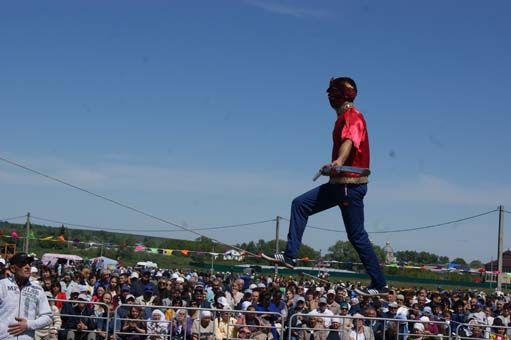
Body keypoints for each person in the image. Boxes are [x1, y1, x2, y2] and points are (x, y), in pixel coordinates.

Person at [270, 76, 387, 296]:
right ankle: (290, 256)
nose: (328, 98)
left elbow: (349, 141)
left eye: (331, 93)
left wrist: (338, 162)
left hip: (348, 187)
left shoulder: (353, 116)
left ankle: (379, 283)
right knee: (300, 204)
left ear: (338, 95)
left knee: (357, 235)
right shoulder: (344, 116)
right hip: (338, 184)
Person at [0, 252, 53, 340]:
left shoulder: (38, 289)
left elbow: (48, 317)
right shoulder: (2, 285)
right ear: (13, 268)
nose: (28, 267)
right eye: (23, 263)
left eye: (29, 264)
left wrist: (28, 325)